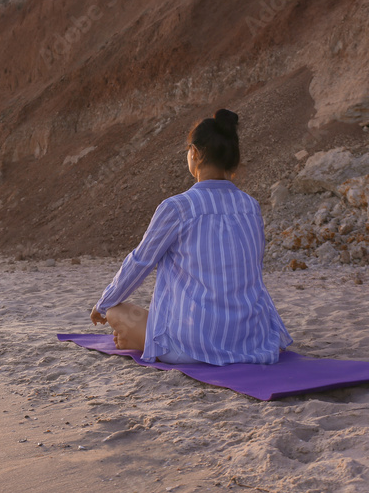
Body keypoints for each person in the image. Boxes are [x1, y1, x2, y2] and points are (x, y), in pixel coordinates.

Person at [89, 109, 292, 366]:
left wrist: (103, 303)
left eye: (188, 151)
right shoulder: (250, 206)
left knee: (116, 311)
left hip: (192, 348)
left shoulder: (178, 208)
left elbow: (141, 261)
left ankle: (140, 341)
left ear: (194, 153)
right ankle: (138, 339)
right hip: (253, 341)